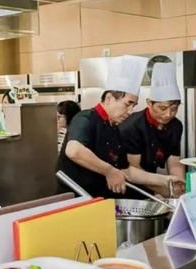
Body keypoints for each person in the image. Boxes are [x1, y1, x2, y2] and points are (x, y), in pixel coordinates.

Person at [57, 55, 184, 199]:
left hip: (96, 201)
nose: (130, 111)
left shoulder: (114, 130)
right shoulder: (86, 118)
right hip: (73, 201)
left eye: (133, 105)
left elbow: (127, 171)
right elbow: (74, 150)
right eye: (127, 104)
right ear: (109, 98)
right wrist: (109, 171)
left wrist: (165, 180)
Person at [119, 62, 186, 196]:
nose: (168, 114)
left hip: (154, 183)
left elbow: (174, 161)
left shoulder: (175, 126)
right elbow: (133, 168)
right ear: (149, 103)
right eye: (162, 108)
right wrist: (161, 189)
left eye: (174, 109)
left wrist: (179, 186)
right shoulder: (132, 127)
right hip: (129, 188)